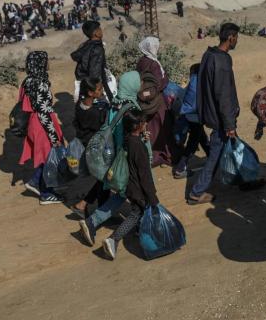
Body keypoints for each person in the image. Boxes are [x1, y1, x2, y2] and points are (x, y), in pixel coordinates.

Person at [78, 71, 142, 246]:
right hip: (126, 159)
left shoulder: (114, 104)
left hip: (113, 157)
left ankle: (92, 222)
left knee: (122, 194)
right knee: (138, 197)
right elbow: (127, 138)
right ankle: (116, 236)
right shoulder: (131, 108)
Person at [189, 23, 240, 205]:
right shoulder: (222, 61)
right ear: (231, 37)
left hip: (213, 114)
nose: (236, 41)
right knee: (215, 156)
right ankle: (196, 191)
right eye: (236, 38)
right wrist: (229, 125)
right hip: (222, 119)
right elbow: (223, 95)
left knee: (233, 151)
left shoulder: (209, 54)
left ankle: (243, 179)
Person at [101, 108, 158, 260]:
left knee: (139, 214)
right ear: (137, 126)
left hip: (130, 186)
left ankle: (140, 230)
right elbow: (144, 176)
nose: (145, 124)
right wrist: (152, 197)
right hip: (138, 189)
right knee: (135, 214)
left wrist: (143, 139)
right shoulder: (138, 146)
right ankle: (113, 239)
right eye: (143, 122)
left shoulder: (128, 140)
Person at [19, 51, 65, 205]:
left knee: (45, 156)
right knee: (50, 157)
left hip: (33, 122)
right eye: (46, 61)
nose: (48, 63)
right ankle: (43, 191)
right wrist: (54, 136)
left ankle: (43, 186)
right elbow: (43, 111)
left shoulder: (28, 81)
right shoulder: (41, 83)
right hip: (42, 123)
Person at [70, 78, 109, 217]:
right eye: (99, 89)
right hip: (93, 148)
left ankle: (102, 207)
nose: (102, 91)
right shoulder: (93, 113)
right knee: (104, 177)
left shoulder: (79, 105)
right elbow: (102, 124)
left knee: (102, 177)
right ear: (91, 92)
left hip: (85, 145)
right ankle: (83, 203)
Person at [136, 36, 177, 167]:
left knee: (151, 128)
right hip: (158, 101)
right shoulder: (154, 64)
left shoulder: (141, 61)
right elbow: (159, 84)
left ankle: (152, 154)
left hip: (145, 101)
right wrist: (166, 79)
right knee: (163, 127)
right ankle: (166, 155)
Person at [172, 63, 209, 179]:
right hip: (195, 117)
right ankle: (180, 168)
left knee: (200, 136)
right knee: (193, 143)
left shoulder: (192, 84)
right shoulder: (199, 84)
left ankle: (212, 157)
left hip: (191, 117)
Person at [71, 20, 112, 103]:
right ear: (95, 33)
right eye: (99, 29)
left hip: (84, 83)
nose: (101, 30)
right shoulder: (97, 49)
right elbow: (95, 73)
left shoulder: (86, 45)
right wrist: (100, 91)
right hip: (93, 87)